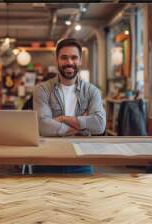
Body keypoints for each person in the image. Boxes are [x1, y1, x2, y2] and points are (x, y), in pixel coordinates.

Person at [32, 38, 106, 174]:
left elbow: (100, 125)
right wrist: (81, 127)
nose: (69, 62)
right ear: (57, 60)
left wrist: (62, 119)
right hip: (47, 160)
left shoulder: (92, 91)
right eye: (64, 58)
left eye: (74, 57)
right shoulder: (42, 90)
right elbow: (43, 127)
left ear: (80, 60)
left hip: (81, 161)